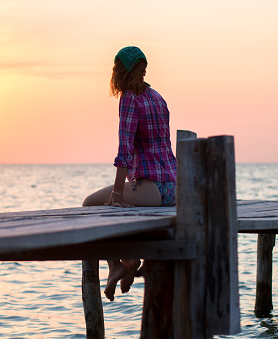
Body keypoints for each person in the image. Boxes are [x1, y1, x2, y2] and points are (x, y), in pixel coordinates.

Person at [82, 46, 177, 301]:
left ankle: (119, 264)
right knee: (130, 206)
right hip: (175, 188)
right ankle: (137, 258)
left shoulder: (129, 98)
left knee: (90, 204)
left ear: (120, 70)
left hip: (152, 189)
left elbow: (124, 149)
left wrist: (116, 192)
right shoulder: (157, 96)